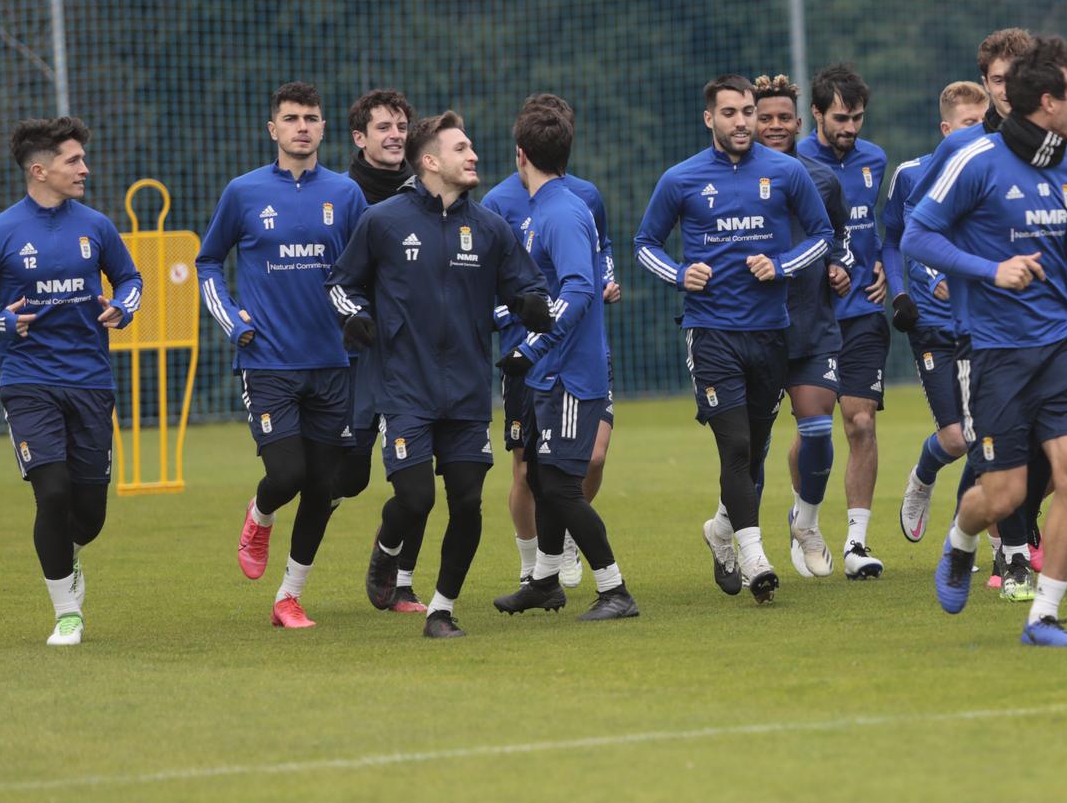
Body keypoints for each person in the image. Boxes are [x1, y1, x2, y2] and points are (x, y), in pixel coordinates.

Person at [907, 36, 1067, 646]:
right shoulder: (976, 159)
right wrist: (991, 270)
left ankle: (1044, 614)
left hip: (1063, 343)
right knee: (1004, 493)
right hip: (995, 351)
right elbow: (917, 236)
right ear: (1047, 102)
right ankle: (962, 540)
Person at [328, 110, 550, 638]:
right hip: (404, 388)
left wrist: (532, 305)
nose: (473, 156)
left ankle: (441, 609)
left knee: (468, 502)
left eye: (472, 148)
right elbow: (341, 284)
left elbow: (528, 285)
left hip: (469, 391)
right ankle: (387, 549)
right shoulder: (383, 221)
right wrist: (354, 316)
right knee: (416, 499)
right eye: (461, 148)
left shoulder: (490, 228)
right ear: (429, 161)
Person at [634, 75, 833, 604]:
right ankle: (754, 555)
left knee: (757, 448)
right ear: (710, 119)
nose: (743, 121)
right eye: (730, 113)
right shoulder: (681, 178)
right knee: (737, 446)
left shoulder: (786, 171)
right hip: (712, 331)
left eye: (748, 111)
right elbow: (645, 243)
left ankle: (721, 532)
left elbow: (822, 236)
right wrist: (680, 275)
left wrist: (782, 264)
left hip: (770, 334)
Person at [198, 83, 369, 628]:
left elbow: (369, 266)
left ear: (323, 129)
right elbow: (207, 263)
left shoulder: (345, 195)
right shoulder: (243, 193)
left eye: (312, 118)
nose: (302, 126)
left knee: (323, 486)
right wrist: (232, 320)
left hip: (333, 363)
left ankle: (288, 597)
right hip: (267, 360)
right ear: (273, 129)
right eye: (291, 118)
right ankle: (260, 513)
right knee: (288, 474)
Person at [900, 28, 1044, 600]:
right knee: (987, 444)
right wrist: (969, 274)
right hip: (978, 332)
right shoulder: (960, 152)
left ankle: (971, 538)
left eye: (1018, 76)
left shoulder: (1066, 145)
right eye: (999, 80)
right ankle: (1011, 559)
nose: (1009, 90)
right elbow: (915, 234)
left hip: (1052, 328)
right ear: (987, 85)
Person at [489, 104, 637, 621]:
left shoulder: (561, 213)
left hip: (570, 373)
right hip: (550, 372)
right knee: (543, 476)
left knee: (561, 485)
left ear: (521, 155)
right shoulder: (551, 206)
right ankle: (546, 581)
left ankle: (614, 589)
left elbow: (578, 289)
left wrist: (531, 346)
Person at [0, 117, 143, 646]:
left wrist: (123, 309)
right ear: (40, 170)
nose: (85, 168)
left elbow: (130, 279)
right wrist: (3, 322)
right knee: (52, 492)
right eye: (73, 160)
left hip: (90, 380)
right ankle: (67, 613)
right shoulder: (4, 229)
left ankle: (68, 553)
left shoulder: (97, 226)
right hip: (26, 379)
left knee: (89, 515)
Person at [751, 72, 850, 578]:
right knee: (749, 447)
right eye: (763, 116)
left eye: (782, 117)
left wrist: (840, 266)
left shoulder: (823, 179)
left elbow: (836, 237)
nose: (773, 125)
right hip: (751, 329)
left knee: (816, 428)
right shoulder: (730, 179)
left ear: (799, 121)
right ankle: (737, 538)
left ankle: (805, 522)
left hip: (810, 323)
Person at [881, 80, 989, 543]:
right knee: (955, 440)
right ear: (946, 128)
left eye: (984, 124)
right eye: (969, 125)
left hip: (982, 326)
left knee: (987, 440)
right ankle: (922, 480)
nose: (978, 133)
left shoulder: (994, 174)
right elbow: (891, 239)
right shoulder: (910, 175)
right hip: (930, 327)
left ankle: (988, 541)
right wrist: (901, 293)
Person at [796, 64, 893, 578]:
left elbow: (869, 225)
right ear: (816, 113)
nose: (850, 127)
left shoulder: (874, 159)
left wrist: (877, 265)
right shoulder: (792, 162)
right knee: (813, 429)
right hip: (810, 316)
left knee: (860, 421)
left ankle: (856, 544)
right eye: (840, 117)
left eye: (857, 117)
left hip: (862, 312)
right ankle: (804, 517)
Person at [342, 87, 425, 612]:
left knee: (417, 479)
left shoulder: (428, 190)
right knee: (347, 476)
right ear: (359, 137)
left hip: (413, 357)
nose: (395, 136)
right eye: (383, 128)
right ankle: (298, 559)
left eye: (401, 127)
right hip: (354, 355)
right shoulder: (342, 195)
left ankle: (400, 577)